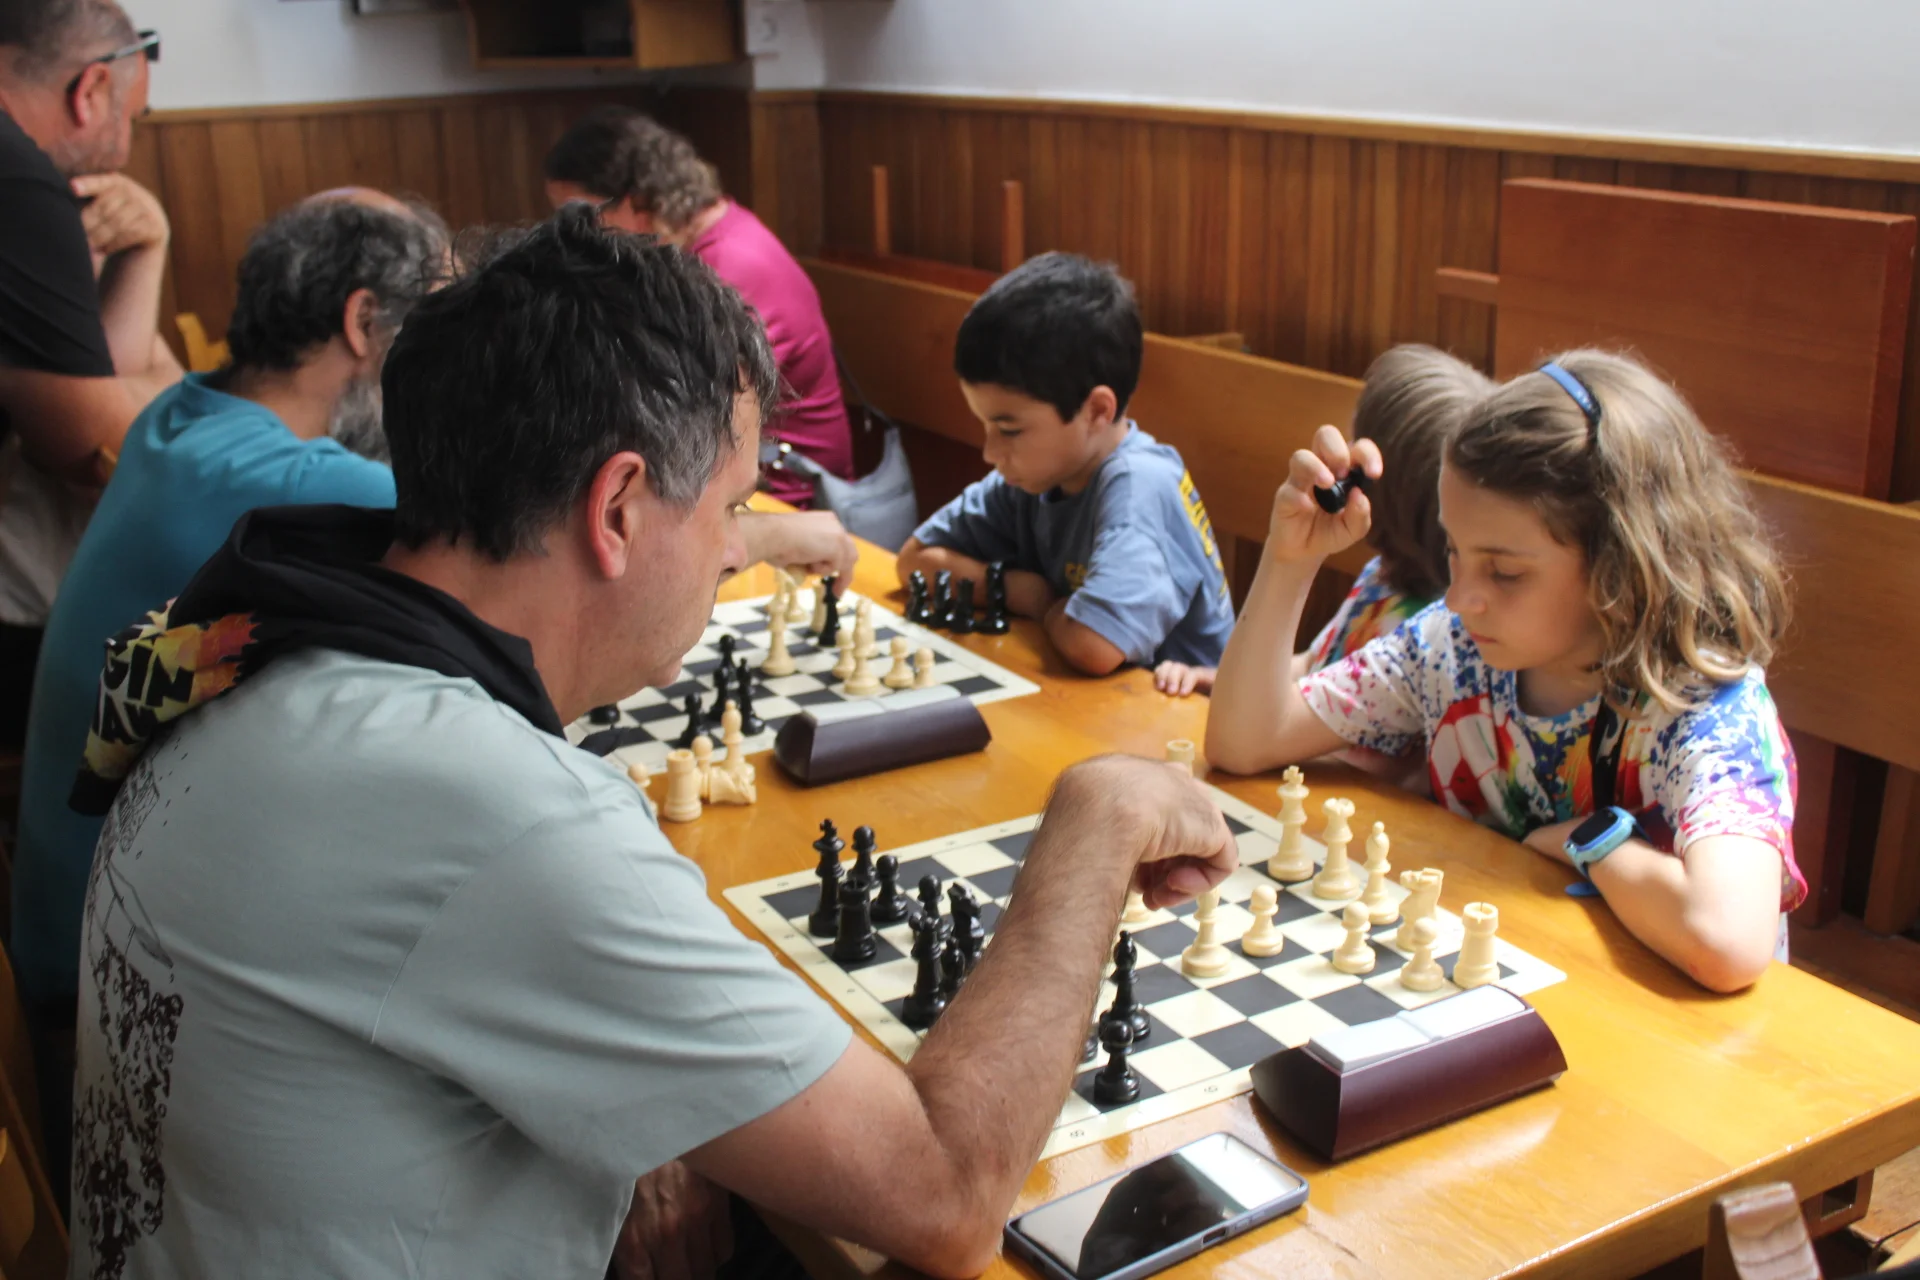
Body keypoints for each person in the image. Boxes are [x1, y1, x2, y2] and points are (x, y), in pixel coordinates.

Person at [67, 207, 1238, 1279]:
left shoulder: (264, 638)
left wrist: (641, 1121)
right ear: (617, 507)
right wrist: (1096, 823)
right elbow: (944, 1198)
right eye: (730, 507)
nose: (735, 550)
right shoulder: (495, 810)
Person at [12, 187, 447, 1195]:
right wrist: (777, 529)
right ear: (362, 322)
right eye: (426, 331)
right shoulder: (294, 482)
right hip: (107, 979)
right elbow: (521, 534)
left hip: (67, 911)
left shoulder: (179, 414)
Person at [1205, 350, 1803, 994]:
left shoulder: (1705, 711)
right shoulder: (1451, 647)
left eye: (1506, 572)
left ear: (1621, 565)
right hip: (1510, 983)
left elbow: (1727, 944)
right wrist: (1291, 559)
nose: (1460, 596)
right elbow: (1244, 741)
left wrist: (1593, 842)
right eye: (1454, 551)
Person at [896, 252, 1234, 677]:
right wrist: (1023, 592)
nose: (989, 452)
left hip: (1188, 714)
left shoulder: (1140, 486)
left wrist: (1043, 605)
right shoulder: (1037, 476)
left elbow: (1094, 646)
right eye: (984, 425)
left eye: (1009, 429)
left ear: (1096, 411)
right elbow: (914, 561)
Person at [0, 0, 182, 741]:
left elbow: (112, 383)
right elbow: (99, 452)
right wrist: (173, 395)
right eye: (133, 119)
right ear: (91, 90)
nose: (125, 148)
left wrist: (146, 247)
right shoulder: (21, 181)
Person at [544, 106, 856, 510]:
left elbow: (694, 417)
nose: (579, 236)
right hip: (738, 475)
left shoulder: (729, 266)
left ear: (637, 202)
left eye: (584, 216)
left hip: (790, 495)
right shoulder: (701, 243)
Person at [1154, 344, 1492, 697]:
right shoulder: (1382, 577)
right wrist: (1215, 679)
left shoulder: (1420, 640)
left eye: (1356, 447)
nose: (1347, 449)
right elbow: (1314, 664)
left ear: (1373, 484)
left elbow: (1320, 721)